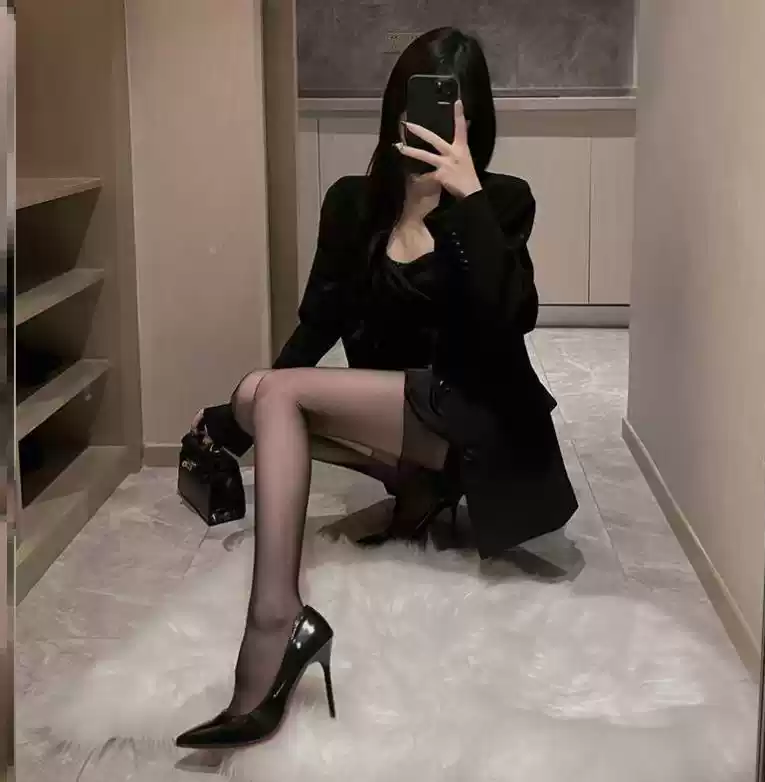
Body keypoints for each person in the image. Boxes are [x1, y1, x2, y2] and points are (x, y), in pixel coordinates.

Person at [175, 27, 578, 751]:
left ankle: (274, 625)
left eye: (452, 115)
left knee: (277, 398)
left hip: (473, 415)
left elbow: (513, 317)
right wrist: (232, 419)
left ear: (474, 122)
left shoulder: (500, 201)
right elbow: (320, 322)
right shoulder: (353, 204)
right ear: (395, 111)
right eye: (417, 109)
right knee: (259, 393)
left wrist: (466, 197)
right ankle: (415, 492)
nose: (431, 127)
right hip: (404, 417)